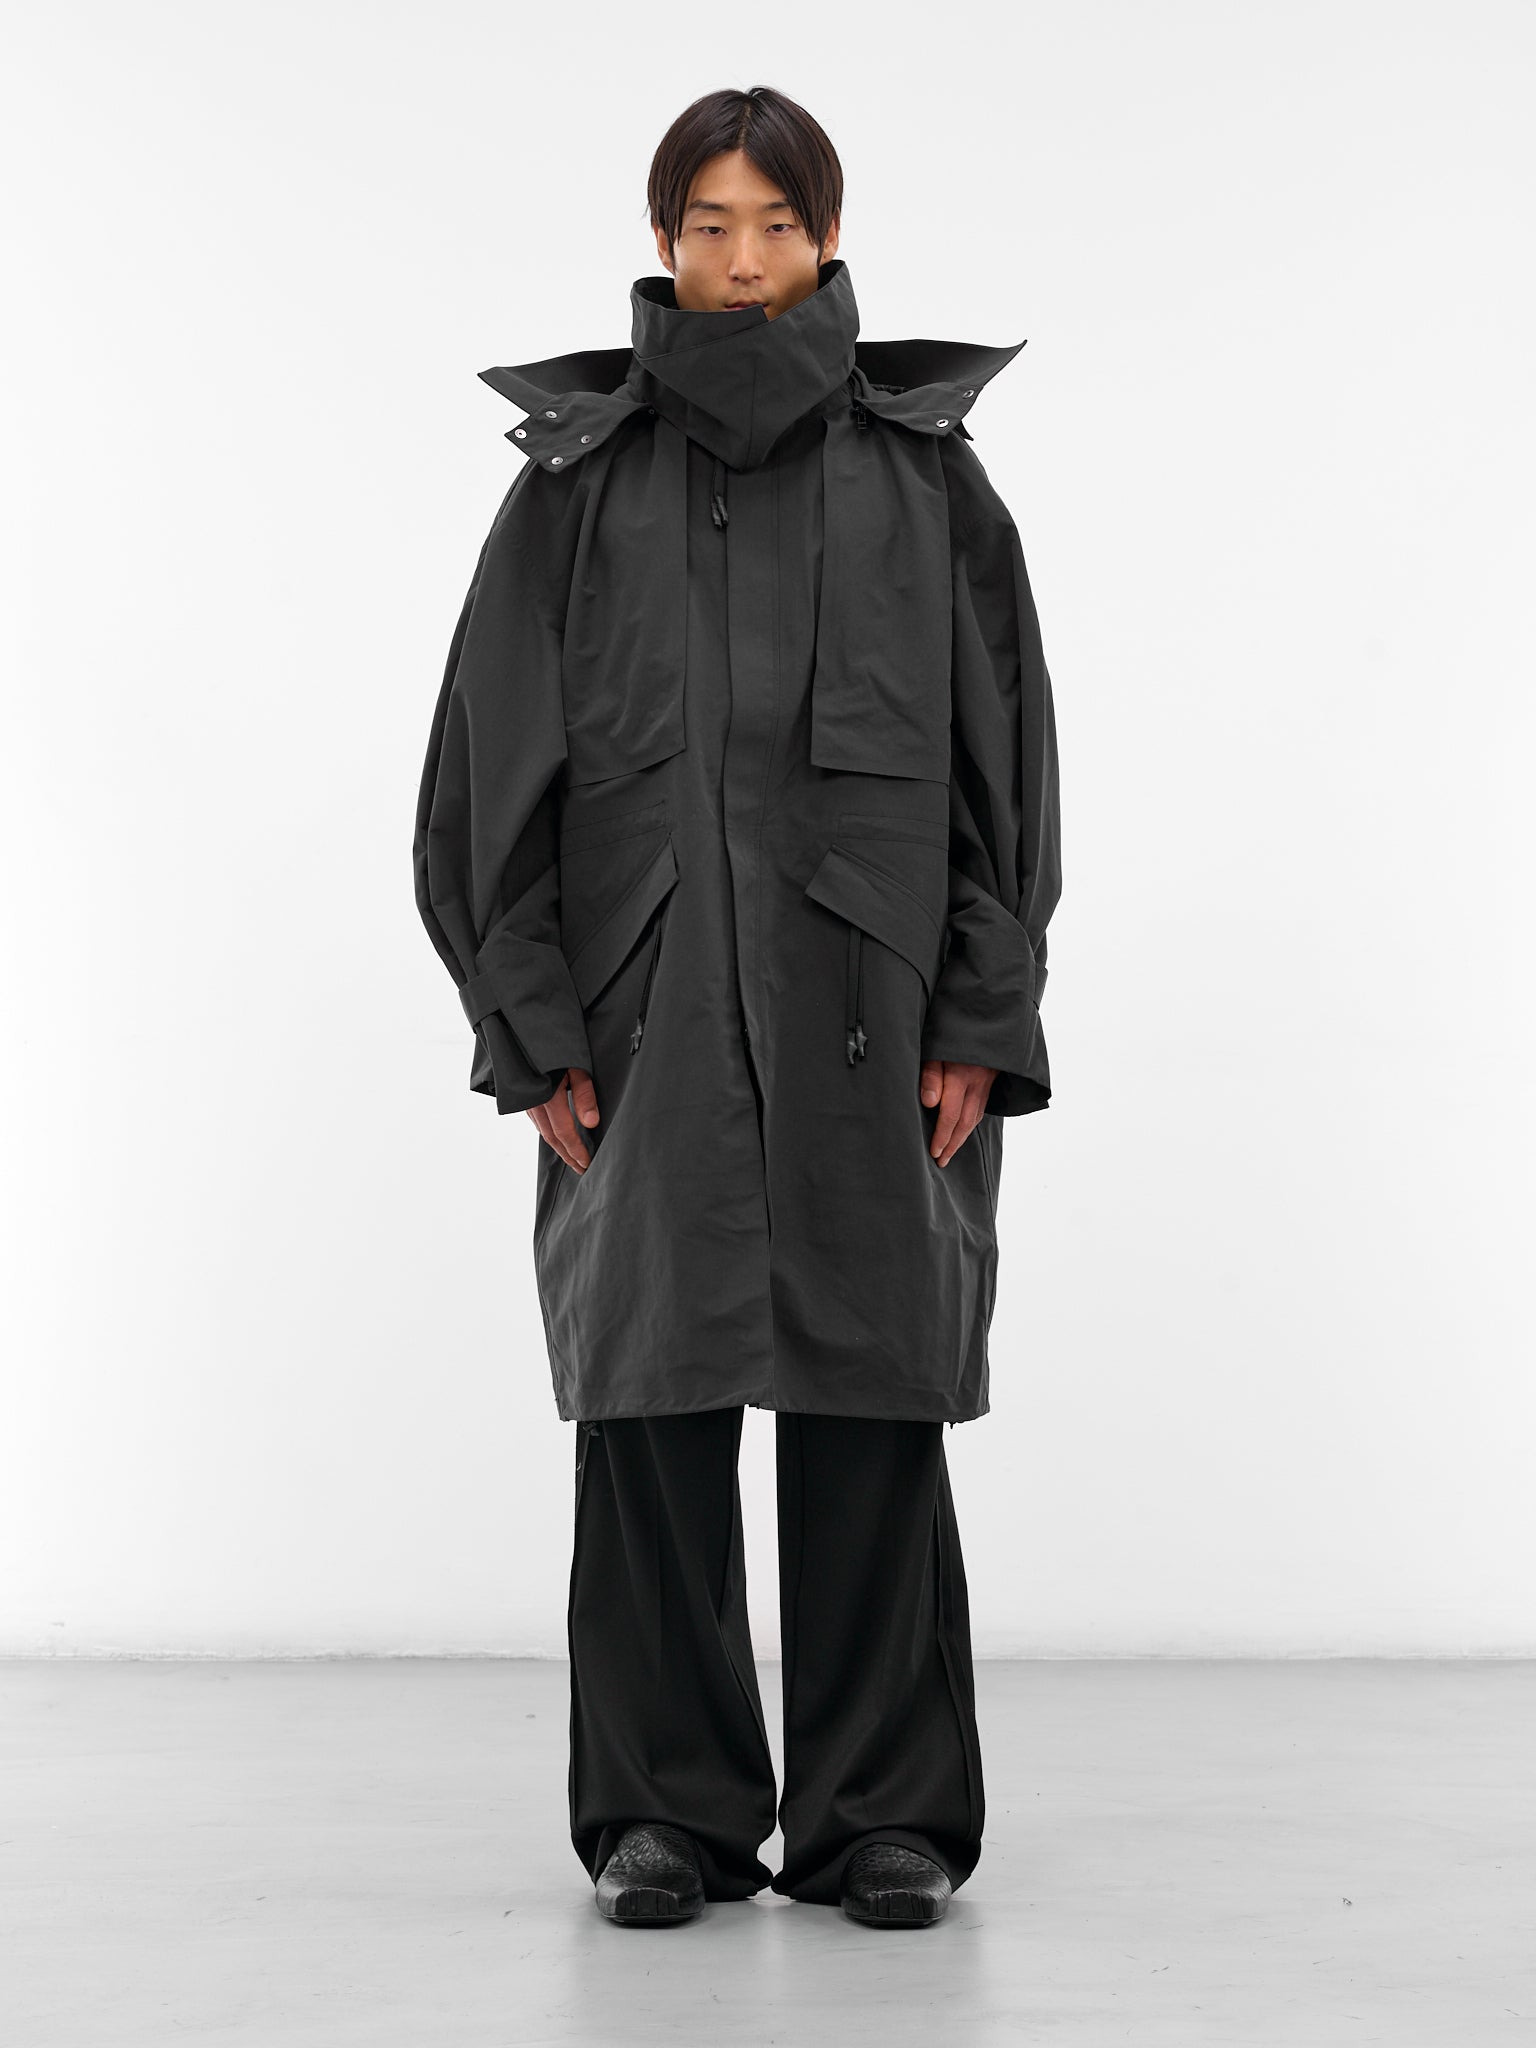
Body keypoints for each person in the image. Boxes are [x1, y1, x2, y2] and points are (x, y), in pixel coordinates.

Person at [414, 84, 1062, 1929]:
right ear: (664, 242)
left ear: (829, 238)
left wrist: (982, 1008)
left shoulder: (928, 483)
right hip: (643, 1018)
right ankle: (664, 1816)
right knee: (650, 1403)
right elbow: (486, 778)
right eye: (709, 224)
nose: (745, 259)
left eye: (777, 224)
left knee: (872, 1399)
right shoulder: (575, 486)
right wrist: (528, 1021)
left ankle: (884, 1817)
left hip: (876, 1006)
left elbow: (1005, 771)